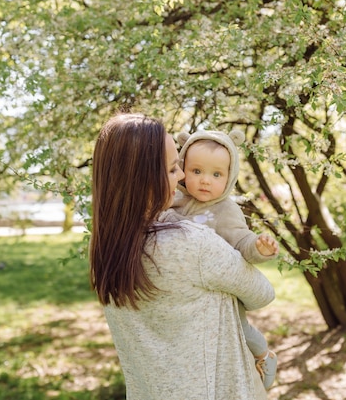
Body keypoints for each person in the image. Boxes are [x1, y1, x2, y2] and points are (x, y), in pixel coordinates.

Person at [89, 113, 275, 400]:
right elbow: (262, 293)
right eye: (173, 168)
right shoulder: (191, 243)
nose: (182, 176)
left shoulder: (107, 245)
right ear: (146, 178)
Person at [170, 129, 279, 389]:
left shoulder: (225, 209)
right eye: (197, 171)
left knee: (239, 328)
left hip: (222, 292)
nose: (205, 181)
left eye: (216, 174)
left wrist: (258, 247)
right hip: (187, 292)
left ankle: (263, 354)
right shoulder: (174, 201)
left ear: (229, 177)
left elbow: (241, 241)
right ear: (183, 168)